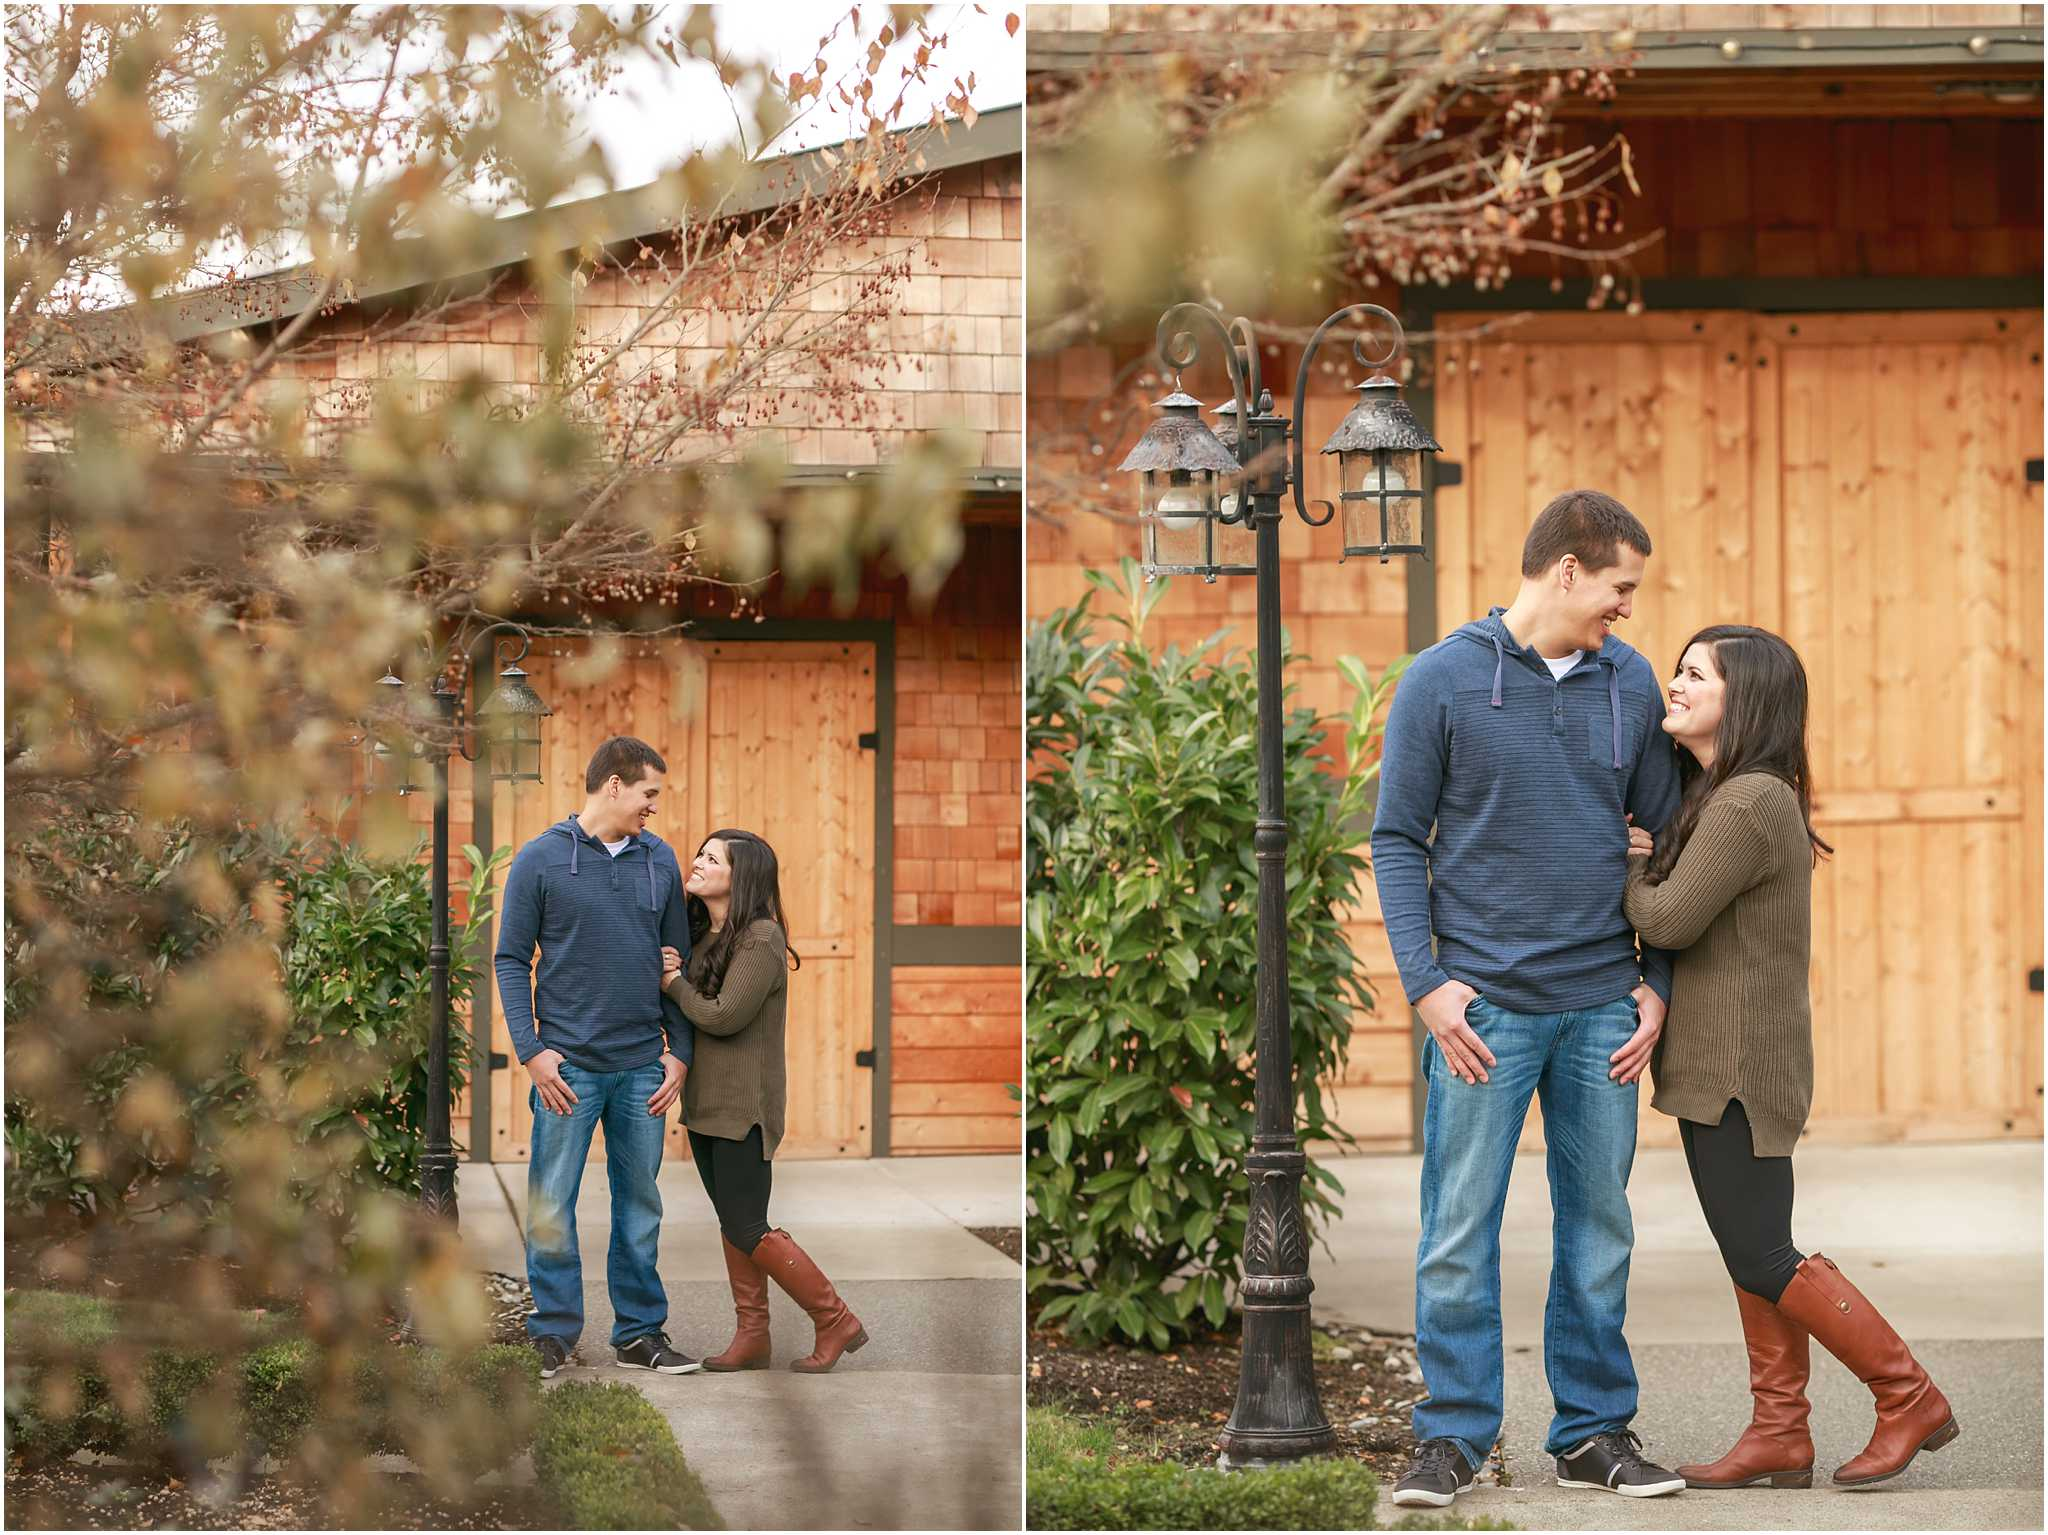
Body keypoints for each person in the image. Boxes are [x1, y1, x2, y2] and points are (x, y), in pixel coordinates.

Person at [1372, 490, 1686, 1508]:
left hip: (1600, 1004)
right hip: (1482, 1012)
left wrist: (1655, 984)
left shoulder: (1628, 683)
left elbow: (1667, 840)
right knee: (1457, 1226)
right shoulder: (1442, 680)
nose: (1625, 609)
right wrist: (1426, 986)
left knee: (1597, 1228)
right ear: (1563, 570)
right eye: (1617, 586)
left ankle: (1591, 1432)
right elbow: (1392, 840)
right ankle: (1451, 1436)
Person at [1622, 626, 1957, 1490]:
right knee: (1754, 1252)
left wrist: (1628, 866)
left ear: (1748, 700)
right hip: (1726, 1064)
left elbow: (1665, 922)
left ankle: (1906, 1392)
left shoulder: (1747, 802)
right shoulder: (1731, 794)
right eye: (1679, 668)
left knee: (1767, 1254)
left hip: (1739, 1068)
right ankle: (1780, 1430)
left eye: (1697, 673)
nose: (1677, 682)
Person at [495, 736, 697, 1380]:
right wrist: (532, 1054)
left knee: (640, 1206)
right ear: (614, 785)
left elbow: (676, 963)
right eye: (648, 793)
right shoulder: (542, 860)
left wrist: (680, 1054)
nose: (653, 807)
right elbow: (508, 959)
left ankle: (640, 1334)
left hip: (643, 1067)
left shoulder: (659, 861)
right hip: (568, 1070)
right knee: (552, 1203)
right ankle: (553, 1333)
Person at [658, 829, 870, 1374]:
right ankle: (753, 1336)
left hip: (745, 1107)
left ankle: (834, 1317)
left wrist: (675, 984)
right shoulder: (706, 935)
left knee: (749, 1224)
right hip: (707, 1104)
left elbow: (723, 1016)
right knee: (735, 1222)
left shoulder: (761, 939)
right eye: (700, 853)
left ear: (742, 875)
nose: (698, 862)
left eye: (712, 857)